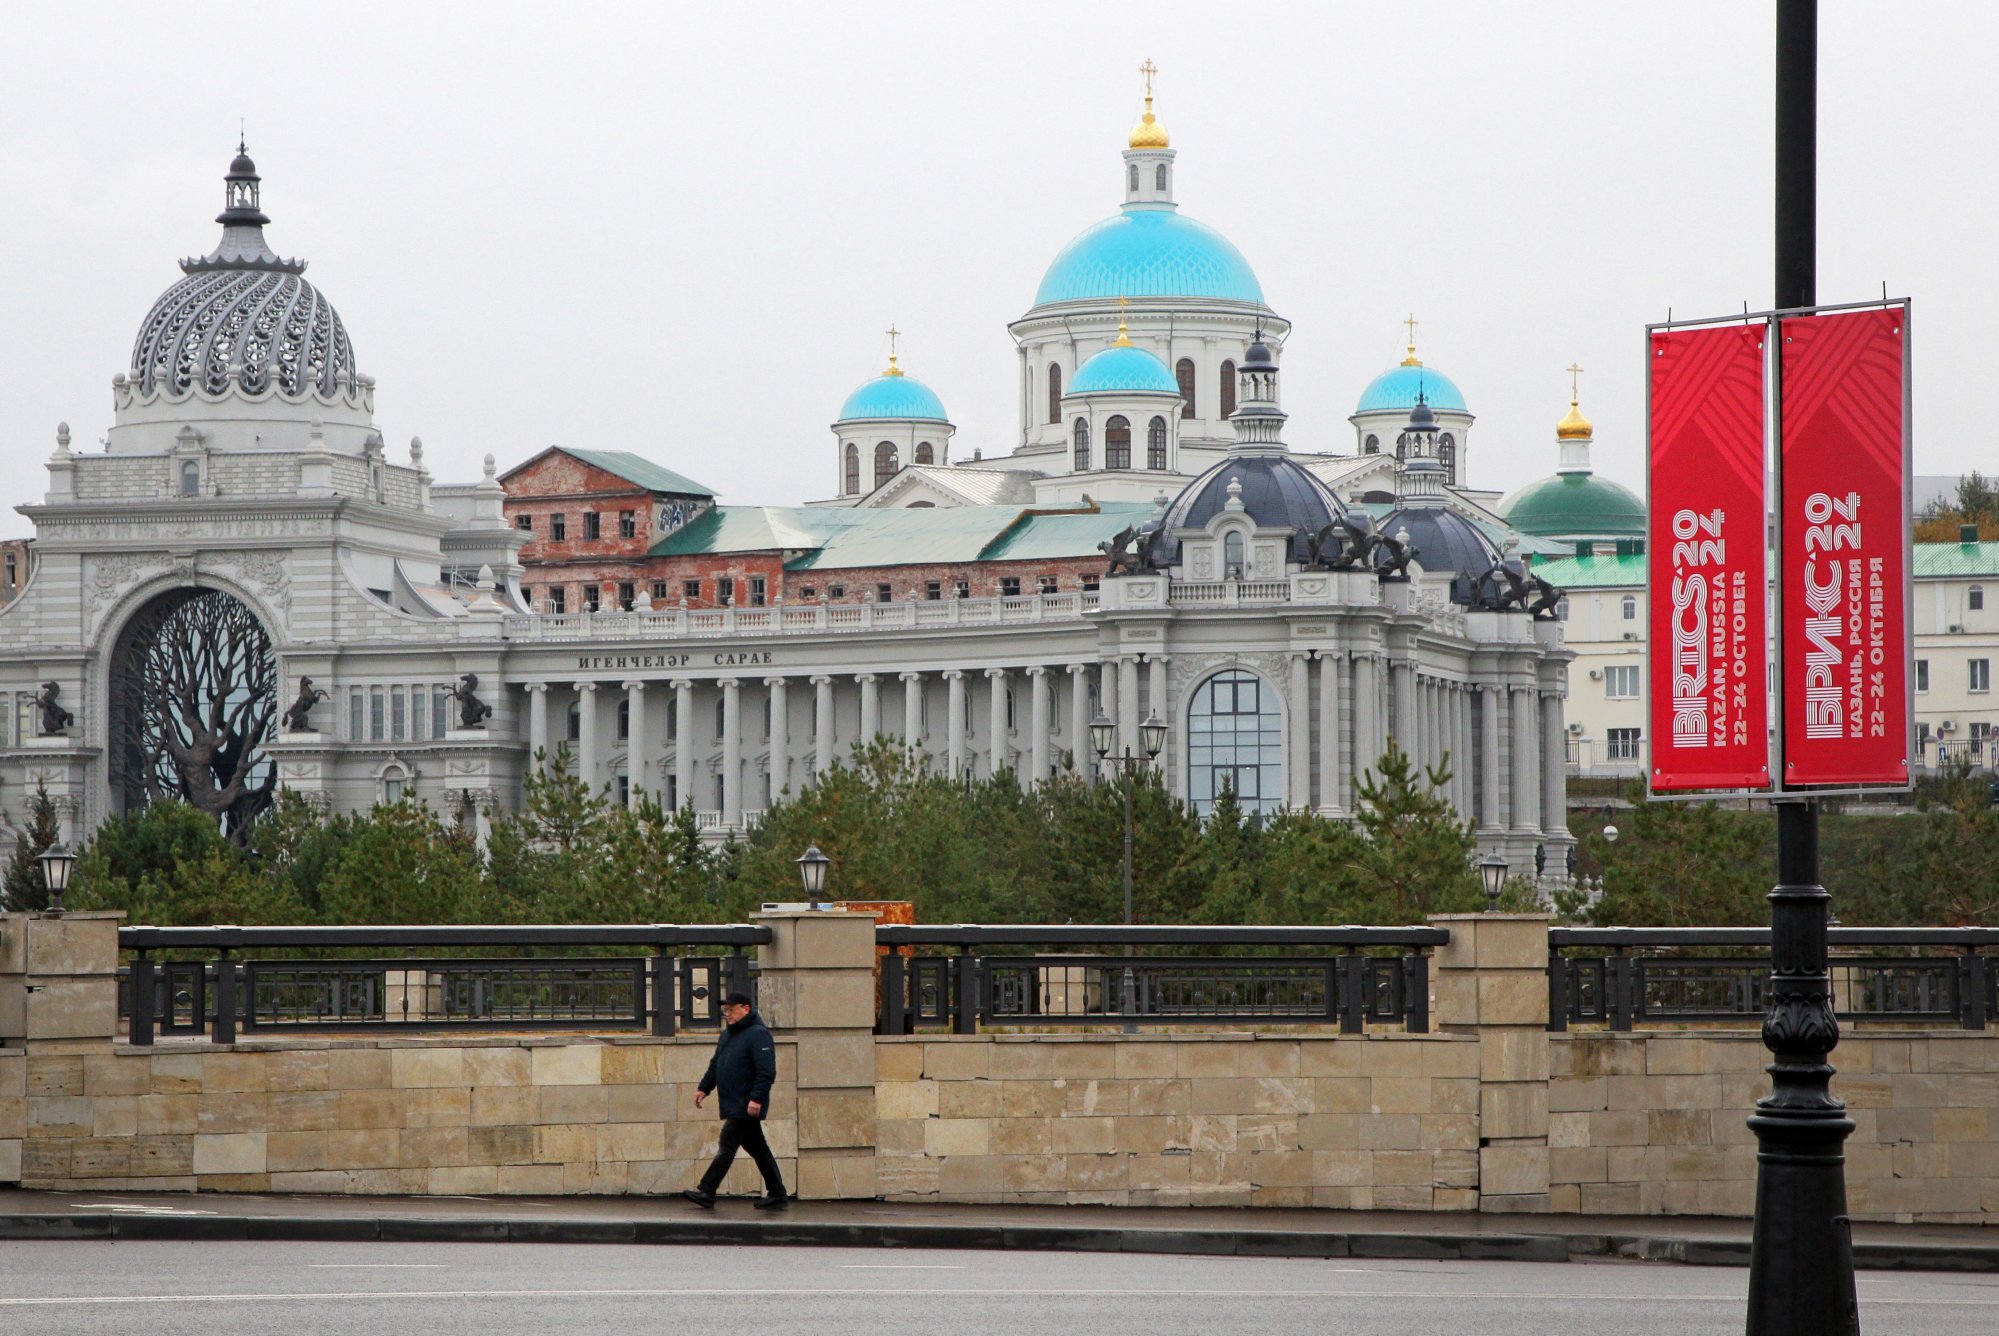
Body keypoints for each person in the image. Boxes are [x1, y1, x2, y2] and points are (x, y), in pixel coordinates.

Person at [681, 991, 788, 1210]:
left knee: (727, 1142)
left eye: (731, 1010)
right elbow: (716, 1063)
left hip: (746, 1103)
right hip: (734, 1102)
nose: (727, 1014)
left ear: (746, 1008)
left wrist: (757, 1098)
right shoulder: (728, 1035)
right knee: (758, 1148)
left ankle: (707, 1190)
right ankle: (777, 1192)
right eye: (724, 1011)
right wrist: (704, 1087)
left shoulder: (758, 1034)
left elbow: (766, 1071)